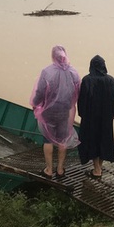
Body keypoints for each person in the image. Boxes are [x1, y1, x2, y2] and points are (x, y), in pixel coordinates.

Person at [29, 45, 81, 179]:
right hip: (65, 112)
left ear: (53, 56)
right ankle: (60, 170)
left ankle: (49, 170)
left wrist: (35, 104)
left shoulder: (47, 72)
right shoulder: (73, 72)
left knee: (48, 139)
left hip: (49, 111)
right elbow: (77, 92)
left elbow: (40, 92)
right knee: (63, 140)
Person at [77, 54, 114, 179]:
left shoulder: (87, 80)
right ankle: (98, 168)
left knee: (92, 141)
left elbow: (81, 100)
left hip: (91, 119)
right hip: (106, 118)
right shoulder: (110, 80)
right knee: (103, 141)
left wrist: (82, 115)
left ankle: (97, 170)